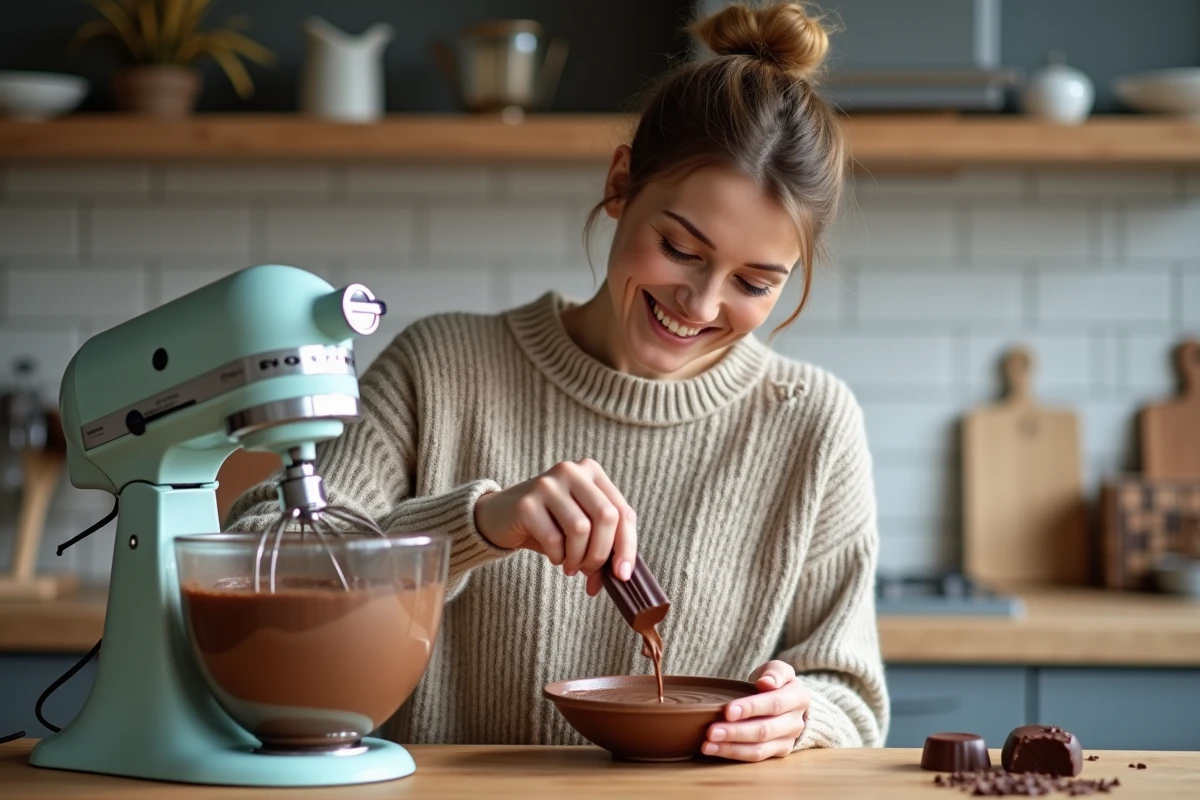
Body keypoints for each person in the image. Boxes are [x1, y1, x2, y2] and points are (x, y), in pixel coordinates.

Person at [228, 1, 888, 761]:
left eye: (756, 282)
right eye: (680, 247)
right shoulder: (439, 369)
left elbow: (852, 696)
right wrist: (475, 526)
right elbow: (254, 569)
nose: (701, 303)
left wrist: (800, 717)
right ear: (619, 186)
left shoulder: (812, 423)